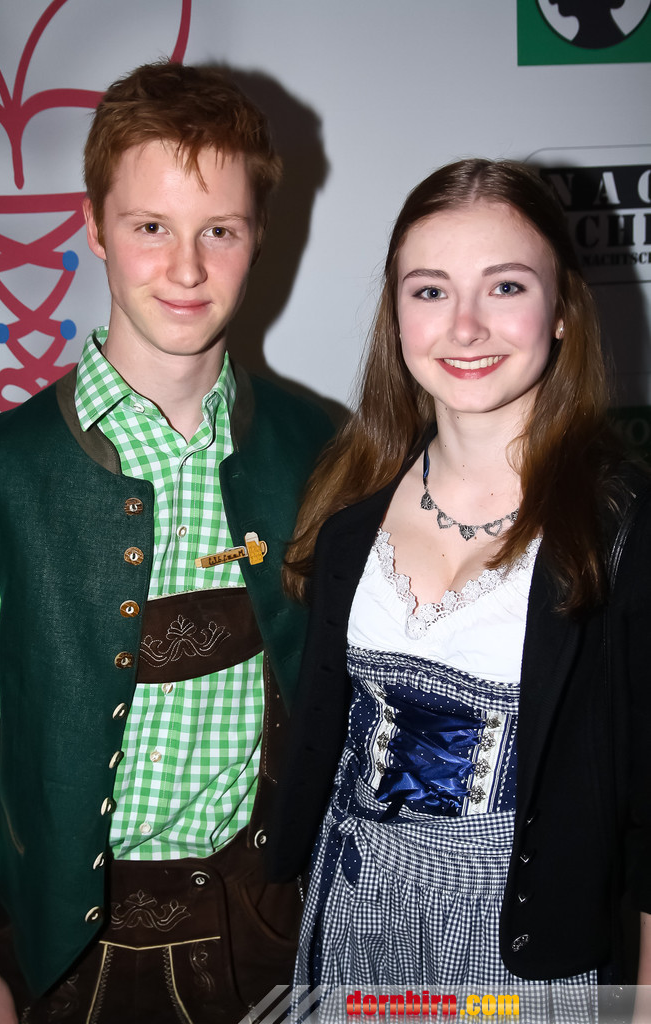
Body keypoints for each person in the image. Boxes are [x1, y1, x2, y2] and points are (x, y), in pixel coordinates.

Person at [0, 61, 333, 1024]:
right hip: (60, 965)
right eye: (150, 227)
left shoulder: (322, 448)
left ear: (260, 235)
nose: (187, 269)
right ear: (93, 226)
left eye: (220, 230)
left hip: (277, 945)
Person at [267, 159, 651, 1021]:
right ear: (397, 314)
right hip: (350, 916)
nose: (465, 326)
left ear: (562, 309)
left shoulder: (624, 530)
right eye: (431, 291)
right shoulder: (348, 515)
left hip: (522, 944)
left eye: (505, 286)